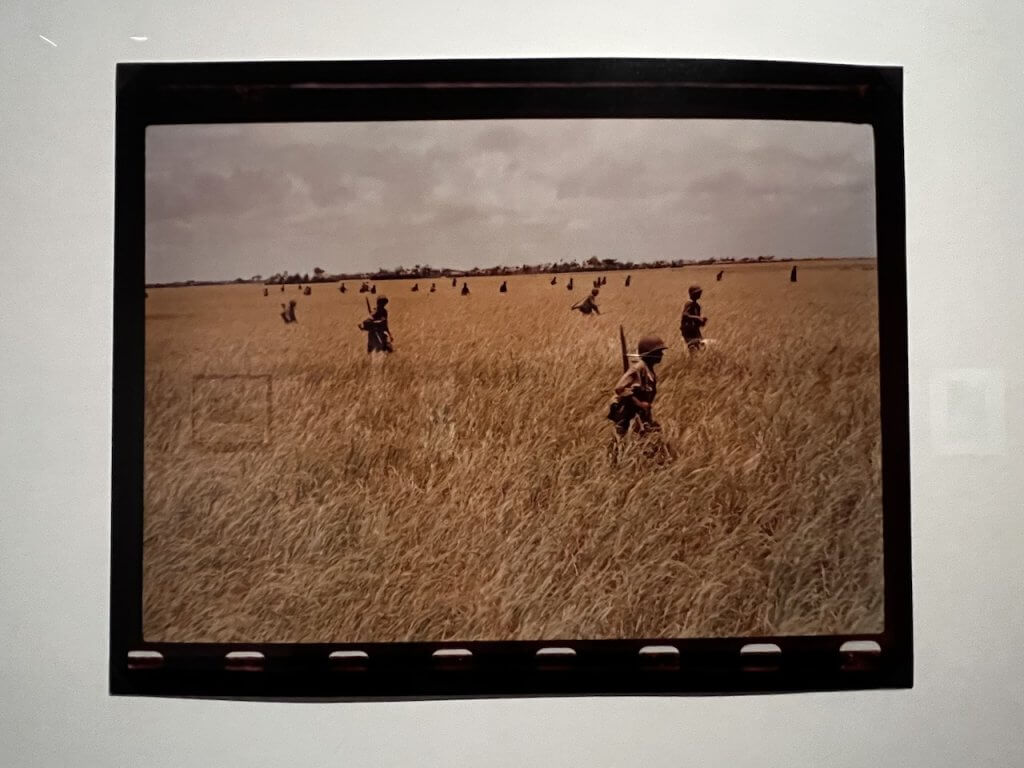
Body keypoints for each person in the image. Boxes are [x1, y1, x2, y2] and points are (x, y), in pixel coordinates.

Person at [609, 335, 668, 436]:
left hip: (641, 415)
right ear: (650, 354)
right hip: (628, 416)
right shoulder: (638, 369)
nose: (662, 354)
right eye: (658, 352)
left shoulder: (649, 370)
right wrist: (639, 404)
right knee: (623, 443)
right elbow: (619, 389)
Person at [680, 284, 708, 352]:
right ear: (692, 294)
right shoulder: (689, 303)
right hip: (688, 330)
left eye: (699, 293)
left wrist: (702, 322)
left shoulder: (697, 306)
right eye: (697, 293)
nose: (699, 295)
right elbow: (685, 315)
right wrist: (698, 318)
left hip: (695, 330)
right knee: (693, 349)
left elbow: (697, 322)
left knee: (700, 348)